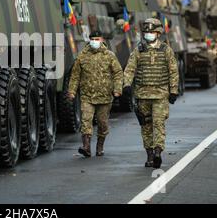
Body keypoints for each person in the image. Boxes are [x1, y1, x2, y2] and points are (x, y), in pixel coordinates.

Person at [123, 18, 179, 169]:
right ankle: (149, 154)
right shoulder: (138, 50)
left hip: (160, 94)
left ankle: (158, 152)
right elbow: (130, 69)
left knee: (158, 124)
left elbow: (173, 71)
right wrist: (126, 84)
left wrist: (173, 91)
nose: (149, 34)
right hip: (142, 95)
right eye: (146, 32)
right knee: (146, 126)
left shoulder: (166, 50)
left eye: (152, 32)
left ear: (158, 33)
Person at [68, 30, 123, 157]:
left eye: (97, 39)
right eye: (92, 39)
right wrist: (71, 91)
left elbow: (118, 73)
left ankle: (100, 146)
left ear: (102, 40)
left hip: (105, 97)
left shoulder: (109, 56)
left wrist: (117, 89)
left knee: (102, 123)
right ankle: (86, 146)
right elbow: (75, 75)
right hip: (87, 96)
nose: (94, 42)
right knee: (86, 120)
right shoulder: (82, 56)